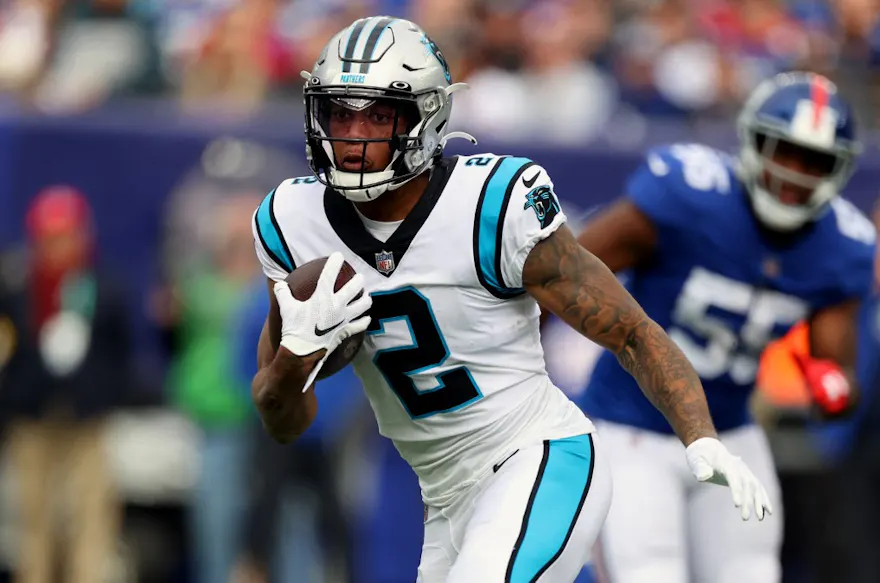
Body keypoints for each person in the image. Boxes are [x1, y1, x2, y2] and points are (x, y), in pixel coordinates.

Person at [249, 16, 772, 583]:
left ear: (425, 118)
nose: (353, 135)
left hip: (540, 458)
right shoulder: (291, 222)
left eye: (378, 114)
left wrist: (700, 436)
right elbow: (283, 422)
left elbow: (629, 330)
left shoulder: (491, 207)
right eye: (339, 113)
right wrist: (294, 358)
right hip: (445, 500)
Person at [576, 71, 876, 583]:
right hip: (634, 427)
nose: (796, 173)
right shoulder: (689, 195)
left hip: (732, 430)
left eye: (814, 161)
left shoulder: (844, 247)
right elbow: (567, 272)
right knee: (649, 574)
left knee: (751, 574)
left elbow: (837, 371)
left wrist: (835, 387)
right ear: (752, 140)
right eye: (783, 150)